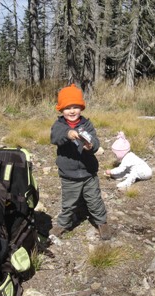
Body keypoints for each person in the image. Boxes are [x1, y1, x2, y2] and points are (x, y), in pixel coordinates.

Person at [50, 84, 111, 240]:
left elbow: (95, 142)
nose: (72, 111)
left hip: (88, 172)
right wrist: (68, 133)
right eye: (68, 107)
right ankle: (63, 224)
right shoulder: (59, 125)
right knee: (69, 203)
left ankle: (101, 222)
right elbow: (55, 137)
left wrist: (91, 146)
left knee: (95, 200)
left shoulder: (87, 124)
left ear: (81, 108)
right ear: (61, 109)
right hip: (69, 175)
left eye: (76, 107)